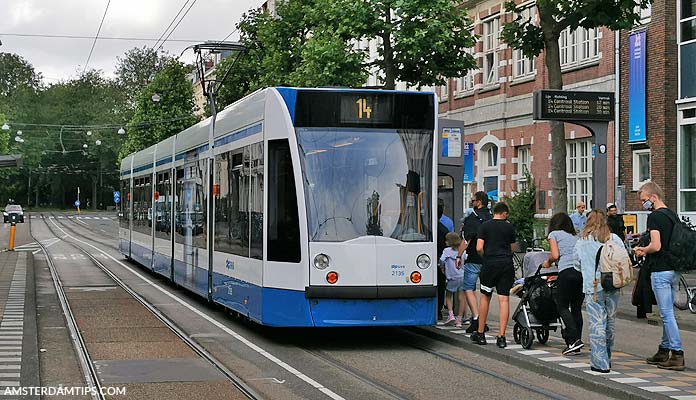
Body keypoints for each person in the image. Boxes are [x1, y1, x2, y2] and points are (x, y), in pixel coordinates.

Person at [634, 182, 685, 371]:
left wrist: (642, 250)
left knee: (666, 314)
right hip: (674, 269)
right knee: (667, 313)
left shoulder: (655, 217)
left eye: (644, 200)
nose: (643, 205)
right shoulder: (672, 215)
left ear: (653, 198)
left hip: (660, 269)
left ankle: (677, 353)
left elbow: (656, 245)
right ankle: (663, 350)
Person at [574, 209, 626, 373]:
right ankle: (608, 357)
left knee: (597, 323)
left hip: (593, 287)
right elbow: (624, 258)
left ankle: (600, 362)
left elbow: (576, 264)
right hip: (613, 284)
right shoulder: (614, 238)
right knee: (610, 321)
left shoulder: (582, 241)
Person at [471, 202, 516, 348]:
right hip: (506, 265)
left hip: (490, 264)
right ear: (504, 213)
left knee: (485, 297)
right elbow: (513, 248)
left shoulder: (484, 226)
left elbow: (479, 248)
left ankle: (480, 333)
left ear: (495, 212)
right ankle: (501, 337)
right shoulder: (509, 227)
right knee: (504, 299)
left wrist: (486, 256)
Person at [543, 213, 583, 355]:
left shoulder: (554, 234)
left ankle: (573, 339)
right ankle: (576, 340)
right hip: (580, 273)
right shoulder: (576, 237)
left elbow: (555, 255)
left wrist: (547, 263)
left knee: (562, 306)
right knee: (576, 308)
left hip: (566, 272)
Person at [457, 191, 492, 333]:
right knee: (485, 291)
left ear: (478, 202)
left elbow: (466, 241)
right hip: (489, 260)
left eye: (473, 201)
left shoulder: (472, 218)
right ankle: (483, 320)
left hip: (474, 259)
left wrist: (458, 256)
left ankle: (476, 318)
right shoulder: (491, 217)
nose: (472, 203)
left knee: (468, 288)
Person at [441, 232, 467, 327]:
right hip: (462, 276)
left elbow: (442, 260)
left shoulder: (446, 251)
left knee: (448, 296)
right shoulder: (462, 251)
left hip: (451, 277)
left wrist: (443, 269)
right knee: (462, 298)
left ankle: (451, 314)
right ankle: (459, 319)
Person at [436, 205, 450, 320]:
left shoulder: (426, 228)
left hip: (431, 260)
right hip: (442, 262)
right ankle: (439, 311)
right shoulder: (444, 229)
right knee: (441, 286)